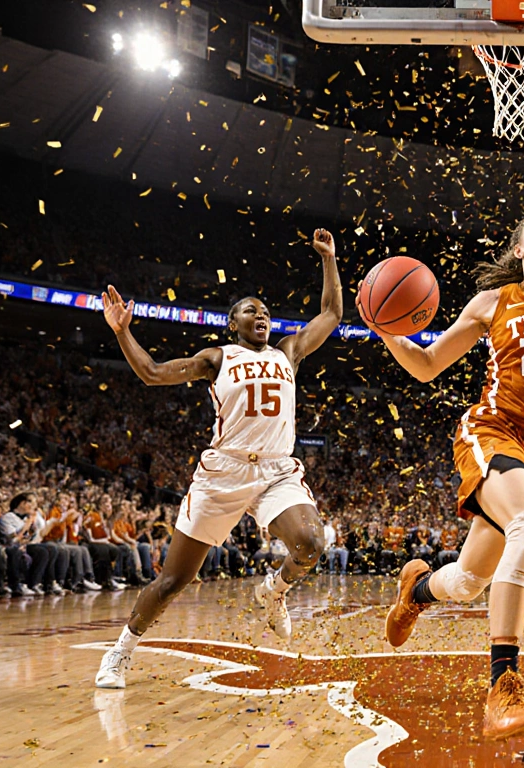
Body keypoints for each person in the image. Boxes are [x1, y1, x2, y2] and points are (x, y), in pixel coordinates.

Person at [375, 80, 524, 741]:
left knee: (470, 583)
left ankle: (416, 590)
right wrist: (385, 327)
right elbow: (426, 365)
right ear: (518, 248)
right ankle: (503, 688)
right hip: (493, 431)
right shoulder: (492, 303)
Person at [93, 229, 343, 689]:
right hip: (224, 471)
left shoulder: (288, 351)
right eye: (252, 310)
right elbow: (150, 374)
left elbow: (331, 313)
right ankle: (121, 650)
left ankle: (274, 591)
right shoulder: (217, 357)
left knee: (311, 542)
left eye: (266, 311)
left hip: (275, 469)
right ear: (234, 323)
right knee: (173, 581)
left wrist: (328, 258)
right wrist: (123, 331)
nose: (262, 315)